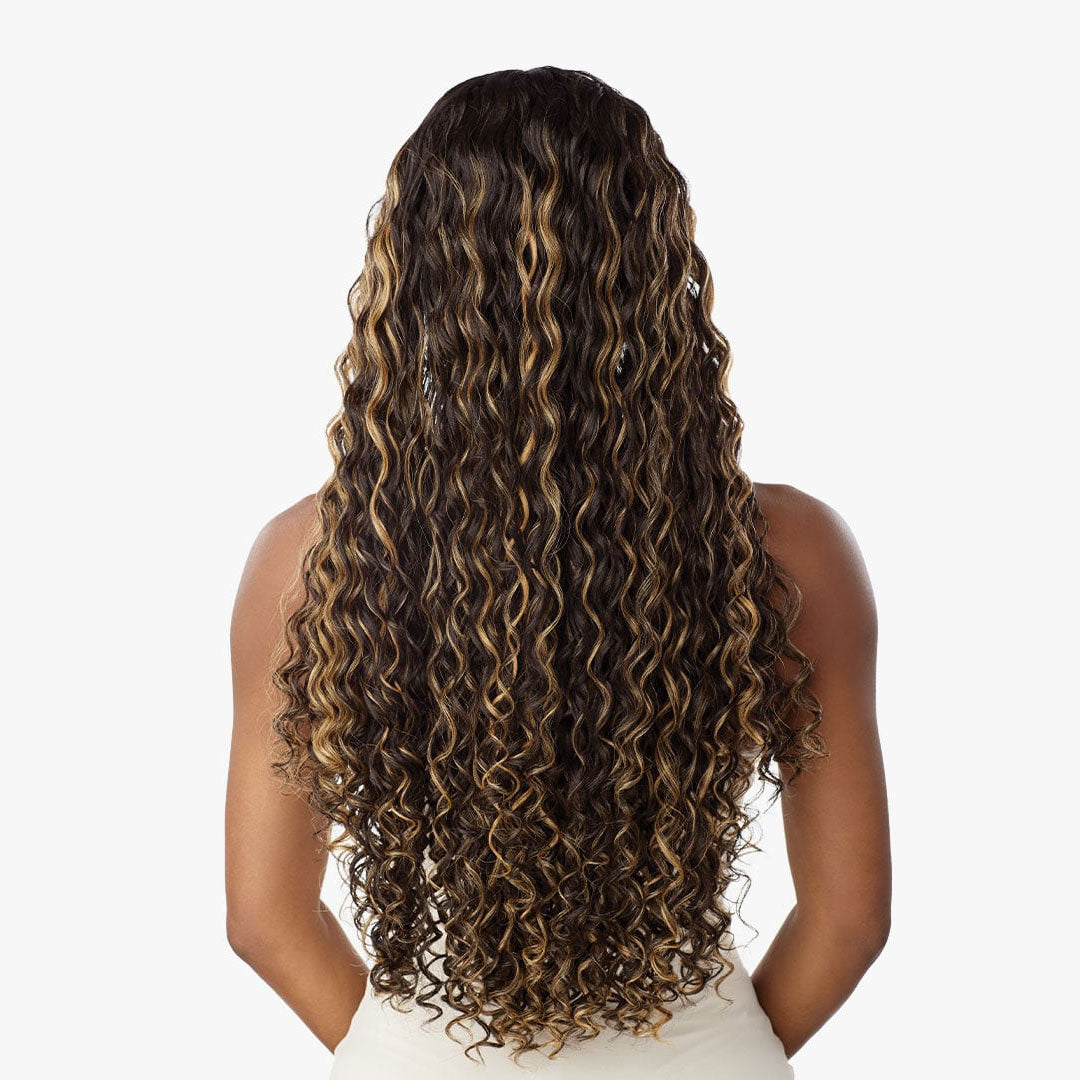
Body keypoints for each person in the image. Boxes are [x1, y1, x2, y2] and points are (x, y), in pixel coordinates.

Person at [225, 66, 890, 1078]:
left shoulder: (312, 559)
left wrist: (411, 1054)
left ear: (418, 276)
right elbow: (849, 919)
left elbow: (263, 917)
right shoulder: (789, 552)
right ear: (653, 268)